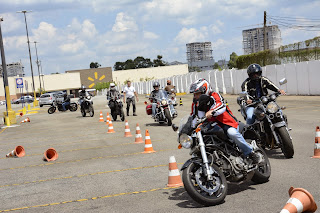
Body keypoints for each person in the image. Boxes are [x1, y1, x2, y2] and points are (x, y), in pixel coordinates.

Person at [190, 78, 260, 164]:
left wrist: (211, 112)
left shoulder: (215, 95)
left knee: (232, 133)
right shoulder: (196, 103)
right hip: (210, 125)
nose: (195, 96)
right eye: (194, 94)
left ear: (205, 90)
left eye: (197, 94)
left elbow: (221, 106)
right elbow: (193, 116)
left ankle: (250, 153)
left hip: (226, 123)